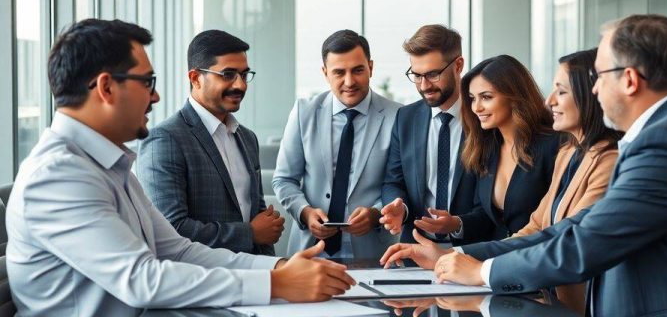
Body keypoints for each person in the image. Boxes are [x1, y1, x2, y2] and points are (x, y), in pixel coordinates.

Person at [380, 14, 667, 317]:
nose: (595, 91)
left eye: (599, 77)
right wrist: (459, 255)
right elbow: (567, 229)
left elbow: (585, 245)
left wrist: (481, 272)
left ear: (630, 80)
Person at [6, 19, 355, 315]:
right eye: (147, 83)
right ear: (106, 87)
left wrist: (279, 266)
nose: (155, 97)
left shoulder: (108, 166)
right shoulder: (58, 175)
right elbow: (142, 280)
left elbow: (177, 249)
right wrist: (274, 282)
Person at [137, 30, 283, 255]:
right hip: (203, 282)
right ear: (195, 78)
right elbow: (171, 230)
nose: (241, 85)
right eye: (228, 74)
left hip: (256, 278)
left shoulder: (247, 138)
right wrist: (249, 233)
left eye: (244, 75)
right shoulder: (165, 139)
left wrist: (275, 271)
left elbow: (259, 217)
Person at [273, 29, 401, 259]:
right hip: (311, 251)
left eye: (358, 70)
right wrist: (305, 213)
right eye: (339, 72)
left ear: (370, 67)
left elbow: (401, 184)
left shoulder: (398, 116)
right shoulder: (304, 113)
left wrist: (376, 214)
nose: (349, 82)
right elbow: (284, 179)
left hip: (375, 254)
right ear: (325, 73)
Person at [511, 49, 622, 314]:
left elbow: (568, 239)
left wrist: (481, 267)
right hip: (551, 299)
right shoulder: (568, 152)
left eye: (561, 92)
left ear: (590, 95)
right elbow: (537, 225)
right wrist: (468, 256)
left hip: (582, 306)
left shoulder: (611, 161)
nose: (549, 101)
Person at [379, 24, 480, 246]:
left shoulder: (482, 118)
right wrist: (400, 208)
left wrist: (458, 224)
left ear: (458, 65)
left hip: (471, 251)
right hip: (415, 249)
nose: (424, 85)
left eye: (433, 74)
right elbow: (393, 181)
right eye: (416, 75)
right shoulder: (406, 118)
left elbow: (493, 202)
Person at [456, 55, 561, 240]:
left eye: (486, 97)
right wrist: (455, 224)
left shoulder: (553, 145)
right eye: (472, 98)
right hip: (494, 260)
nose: (476, 107)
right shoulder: (487, 147)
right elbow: (487, 217)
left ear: (514, 96)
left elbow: (555, 220)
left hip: (537, 258)